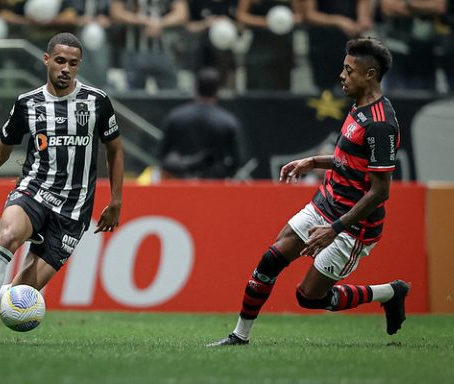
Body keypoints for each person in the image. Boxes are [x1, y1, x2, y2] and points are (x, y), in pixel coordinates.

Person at [209, 37, 409, 347]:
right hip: (325, 204)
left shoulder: (381, 125)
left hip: (354, 226)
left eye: (349, 70)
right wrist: (313, 162)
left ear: (370, 74)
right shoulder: (359, 106)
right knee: (271, 259)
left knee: (309, 297)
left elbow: (380, 191)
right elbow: (350, 161)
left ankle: (389, 292)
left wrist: (334, 229)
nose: (342, 76)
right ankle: (240, 336)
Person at [0, 32, 124, 345]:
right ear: (46, 60)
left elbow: (115, 149)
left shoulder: (97, 102)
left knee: (20, 298)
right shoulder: (27, 103)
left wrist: (115, 200)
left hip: (74, 209)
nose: (65, 68)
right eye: (60, 61)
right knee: (8, 236)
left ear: (79, 66)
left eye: (73, 63)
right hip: (33, 190)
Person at [159, 68, 241, 179]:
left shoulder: (175, 117)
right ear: (217, 90)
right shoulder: (227, 121)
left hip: (181, 185)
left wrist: (183, 165)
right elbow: (236, 160)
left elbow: (163, 157)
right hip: (214, 187)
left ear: (196, 87)